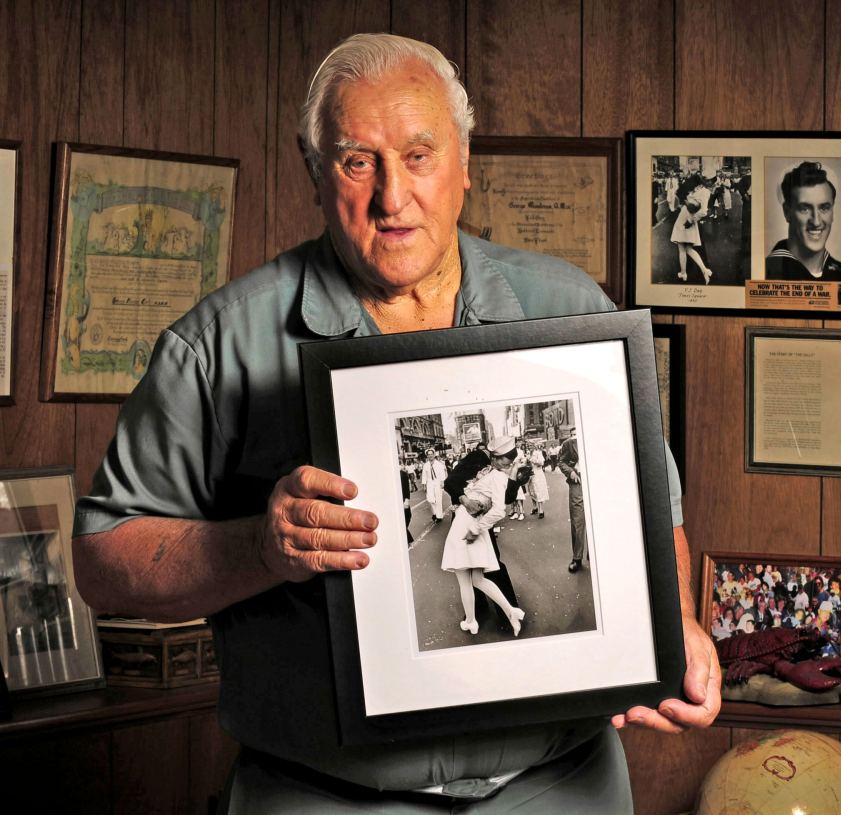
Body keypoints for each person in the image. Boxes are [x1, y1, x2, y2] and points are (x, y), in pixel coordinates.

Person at [70, 33, 719, 813]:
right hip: (323, 794)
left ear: (464, 162)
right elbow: (102, 562)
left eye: (419, 155)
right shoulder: (218, 345)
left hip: (558, 786)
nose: (392, 195)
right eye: (356, 161)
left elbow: (659, 511)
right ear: (314, 171)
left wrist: (677, 621)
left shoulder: (571, 308)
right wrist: (258, 546)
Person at [441, 436, 526, 636]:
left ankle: (496, 614)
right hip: (469, 517)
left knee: (480, 570)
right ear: (495, 456)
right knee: (476, 574)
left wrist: (513, 477)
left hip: (477, 523)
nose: (507, 464)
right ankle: (483, 613)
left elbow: (506, 500)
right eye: (505, 460)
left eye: (511, 461)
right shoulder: (477, 457)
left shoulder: (501, 473)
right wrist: (465, 500)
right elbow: (451, 482)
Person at [765, 161, 841, 282]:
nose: (816, 222)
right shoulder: (766, 273)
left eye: (824, 208)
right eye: (804, 209)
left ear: (832, 212)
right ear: (787, 212)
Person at [670, 173, 713, 284]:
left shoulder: (704, 192)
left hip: (686, 219)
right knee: (688, 249)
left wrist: (690, 221)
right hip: (687, 217)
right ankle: (703, 270)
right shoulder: (698, 189)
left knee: (682, 249)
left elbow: (703, 211)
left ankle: (684, 274)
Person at [558, 426, 588, 573]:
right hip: (578, 481)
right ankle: (577, 558)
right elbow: (561, 461)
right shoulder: (569, 444)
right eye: (573, 434)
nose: (575, 436)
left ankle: (594, 553)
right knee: (578, 520)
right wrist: (570, 472)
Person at [420, 446, 447, 523]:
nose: (430, 455)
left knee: (438, 500)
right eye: (428, 454)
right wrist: (424, 485)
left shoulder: (439, 464)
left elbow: (442, 474)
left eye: (431, 454)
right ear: (427, 456)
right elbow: (424, 475)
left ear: (434, 455)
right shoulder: (425, 465)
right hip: (429, 483)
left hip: (437, 482)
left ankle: (439, 516)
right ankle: (435, 512)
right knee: (430, 499)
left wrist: (442, 482)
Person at [527, 445, 548, 518]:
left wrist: (533, 461)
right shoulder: (528, 453)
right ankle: (535, 507)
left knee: (538, 491)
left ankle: (541, 510)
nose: (529, 447)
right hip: (531, 474)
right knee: (532, 491)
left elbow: (541, 463)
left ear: (535, 447)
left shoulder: (538, 453)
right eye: (528, 446)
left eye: (531, 446)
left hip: (538, 474)